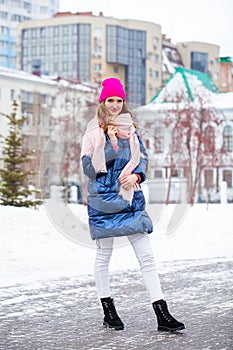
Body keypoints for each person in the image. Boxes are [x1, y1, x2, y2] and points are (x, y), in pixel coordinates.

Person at [81, 77, 185, 332]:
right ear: (102, 102)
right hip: (104, 202)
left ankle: (162, 314)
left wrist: (136, 176)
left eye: (119, 100)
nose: (115, 105)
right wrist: (110, 145)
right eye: (110, 100)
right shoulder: (93, 131)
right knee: (104, 256)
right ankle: (109, 312)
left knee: (147, 257)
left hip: (130, 200)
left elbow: (143, 160)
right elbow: (88, 169)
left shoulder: (133, 131)